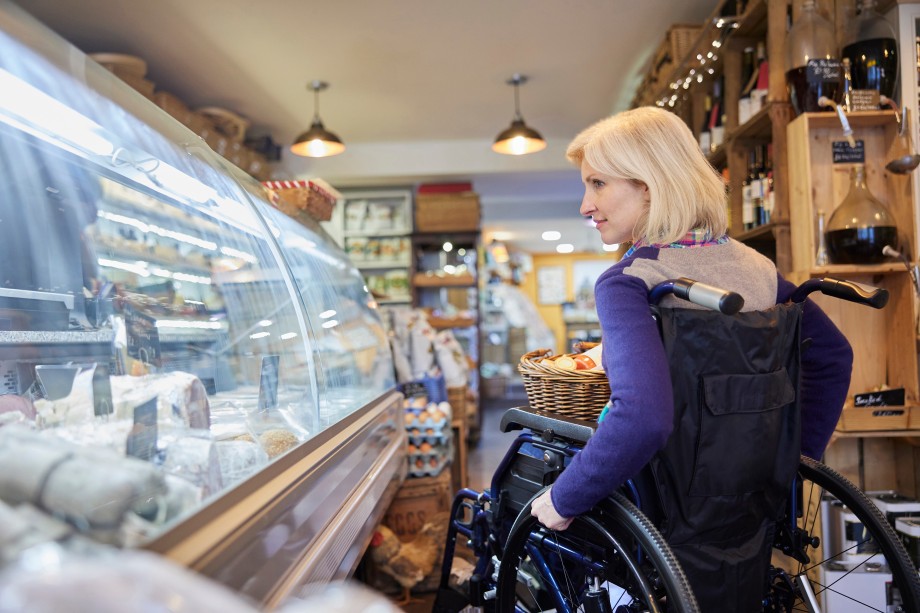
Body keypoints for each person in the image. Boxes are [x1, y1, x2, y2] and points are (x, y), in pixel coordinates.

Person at [529, 106, 853, 609]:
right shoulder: (758, 269)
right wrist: (795, 459)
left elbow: (643, 418)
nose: (585, 205)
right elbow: (832, 357)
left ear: (650, 186)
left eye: (596, 183)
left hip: (663, 506)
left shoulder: (629, 281)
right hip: (752, 498)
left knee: (533, 484)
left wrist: (562, 499)